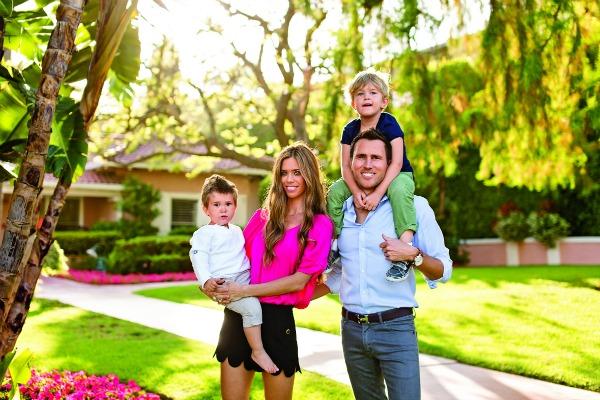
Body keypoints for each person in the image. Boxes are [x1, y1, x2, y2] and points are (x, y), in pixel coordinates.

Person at [317, 129, 452, 400]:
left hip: (396, 329)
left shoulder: (414, 207)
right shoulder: (340, 212)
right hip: (351, 330)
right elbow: (339, 274)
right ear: (350, 162)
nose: (368, 164)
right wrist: (280, 298)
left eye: (376, 158)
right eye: (361, 157)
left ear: (390, 164)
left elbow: (444, 270)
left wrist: (413, 255)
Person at [203, 143, 333, 400]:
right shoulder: (263, 217)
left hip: (277, 322)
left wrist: (244, 290)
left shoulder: (320, 225)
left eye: (297, 172)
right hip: (239, 317)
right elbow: (234, 257)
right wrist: (210, 284)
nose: (289, 179)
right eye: (284, 173)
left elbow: (300, 281)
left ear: (309, 174)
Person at [327, 69, 417, 282]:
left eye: (373, 92)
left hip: (397, 174)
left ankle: (404, 251)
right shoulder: (350, 129)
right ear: (353, 103)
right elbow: (346, 167)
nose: (366, 97)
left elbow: (395, 162)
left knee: (399, 190)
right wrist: (356, 191)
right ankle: (334, 245)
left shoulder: (389, 123)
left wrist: (377, 193)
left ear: (384, 101)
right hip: (359, 178)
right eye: (360, 94)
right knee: (335, 192)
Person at [189, 174, 278, 374]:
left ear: (235, 207)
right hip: (225, 283)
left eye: (228, 204)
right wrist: (206, 281)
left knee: (263, 296)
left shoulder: (237, 231)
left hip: (245, 277)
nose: (223, 209)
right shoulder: (204, 234)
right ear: (206, 209)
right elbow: (197, 256)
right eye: (216, 204)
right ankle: (258, 351)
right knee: (252, 309)